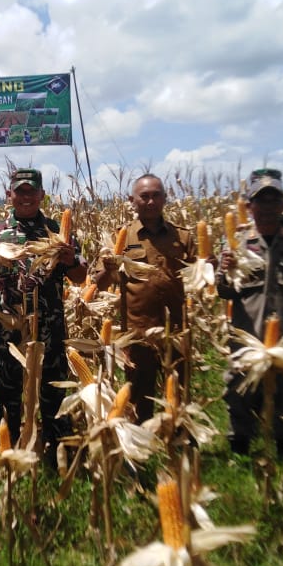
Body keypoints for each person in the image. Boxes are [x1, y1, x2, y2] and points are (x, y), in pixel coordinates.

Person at [0, 168, 88, 457]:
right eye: (20, 191)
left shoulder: (59, 232)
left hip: (49, 330)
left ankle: (59, 454)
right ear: (10, 195)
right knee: (7, 396)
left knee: (53, 394)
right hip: (7, 332)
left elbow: (80, 277)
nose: (26, 197)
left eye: (32, 191)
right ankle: (6, 454)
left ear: (42, 194)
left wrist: (70, 260)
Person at [216, 169, 283, 455]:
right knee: (240, 387)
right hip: (248, 330)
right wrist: (226, 271)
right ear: (250, 206)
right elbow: (224, 291)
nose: (268, 206)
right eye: (261, 200)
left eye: (274, 200)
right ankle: (240, 447)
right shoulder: (237, 239)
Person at [93, 173, 195, 421]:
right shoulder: (122, 237)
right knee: (139, 398)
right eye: (144, 196)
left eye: (156, 195)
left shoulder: (182, 237)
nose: (151, 202)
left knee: (179, 396)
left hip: (176, 332)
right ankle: (142, 439)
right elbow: (99, 284)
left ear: (165, 198)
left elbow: (202, 276)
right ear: (132, 201)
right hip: (137, 334)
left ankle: (178, 436)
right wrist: (108, 268)